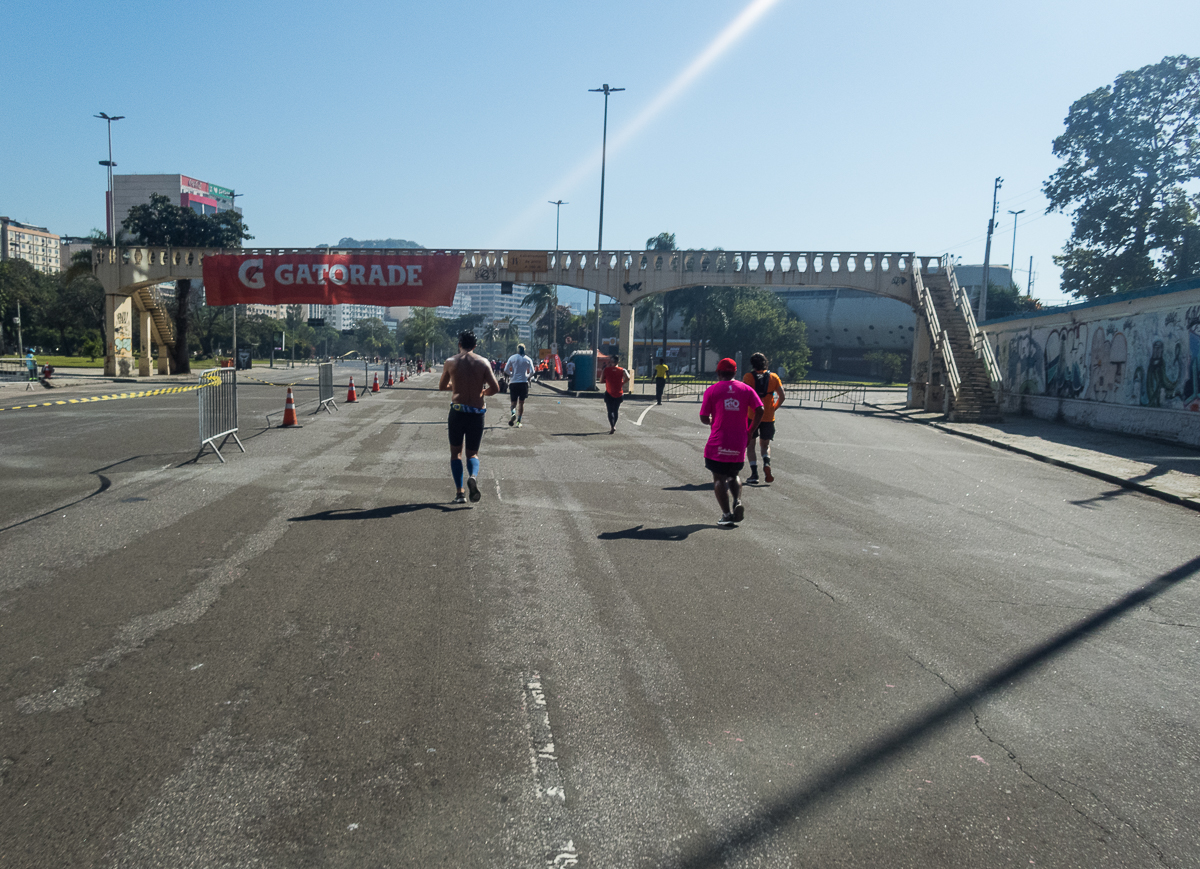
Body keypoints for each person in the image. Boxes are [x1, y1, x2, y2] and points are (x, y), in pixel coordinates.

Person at [700, 357, 764, 527]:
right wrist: (751, 431)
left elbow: (704, 417)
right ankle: (737, 501)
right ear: (735, 372)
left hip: (718, 440)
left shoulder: (712, 390)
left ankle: (727, 515)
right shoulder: (746, 389)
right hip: (739, 440)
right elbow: (760, 409)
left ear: (718, 372)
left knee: (719, 477)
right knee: (733, 475)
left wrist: (712, 420)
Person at [438, 331, 501, 504]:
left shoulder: (451, 362)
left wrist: (457, 386)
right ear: (475, 346)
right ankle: (473, 476)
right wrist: (481, 391)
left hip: (457, 412)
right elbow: (495, 388)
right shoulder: (483, 362)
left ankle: (460, 493)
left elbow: (442, 386)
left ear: (459, 344)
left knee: (455, 453)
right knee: (472, 453)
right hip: (476, 413)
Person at [743, 352, 786, 484]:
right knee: (765, 444)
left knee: (750, 445)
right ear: (766, 363)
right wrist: (773, 407)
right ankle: (766, 463)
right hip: (768, 416)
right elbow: (782, 396)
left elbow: (745, 396)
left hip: (752, 415)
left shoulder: (748, 377)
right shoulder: (773, 377)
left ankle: (754, 474)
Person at [504, 343, 536, 427]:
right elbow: (533, 372)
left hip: (513, 383)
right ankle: (519, 421)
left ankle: (513, 413)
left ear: (518, 349)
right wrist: (527, 376)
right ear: (524, 349)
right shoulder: (528, 359)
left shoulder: (512, 358)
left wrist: (511, 374)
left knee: (513, 403)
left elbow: (505, 370)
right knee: (521, 403)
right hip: (523, 383)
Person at [602, 356, 630, 433]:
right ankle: (614, 424)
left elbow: (601, 380)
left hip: (609, 393)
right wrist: (623, 382)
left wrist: (608, 380)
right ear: (618, 362)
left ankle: (612, 426)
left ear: (611, 362)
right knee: (616, 410)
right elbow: (628, 377)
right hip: (619, 393)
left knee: (610, 410)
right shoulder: (622, 370)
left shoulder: (606, 370)